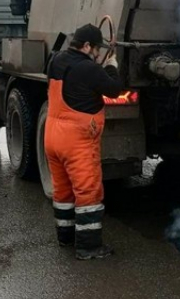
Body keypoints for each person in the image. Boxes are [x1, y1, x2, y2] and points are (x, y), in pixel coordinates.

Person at [45, 24, 123, 260]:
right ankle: (88, 248)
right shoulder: (89, 68)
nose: (98, 54)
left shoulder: (56, 60)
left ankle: (65, 238)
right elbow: (114, 90)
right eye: (96, 49)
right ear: (87, 46)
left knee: (63, 191)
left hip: (52, 136)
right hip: (76, 141)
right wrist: (111, 67)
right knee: (88, 193)